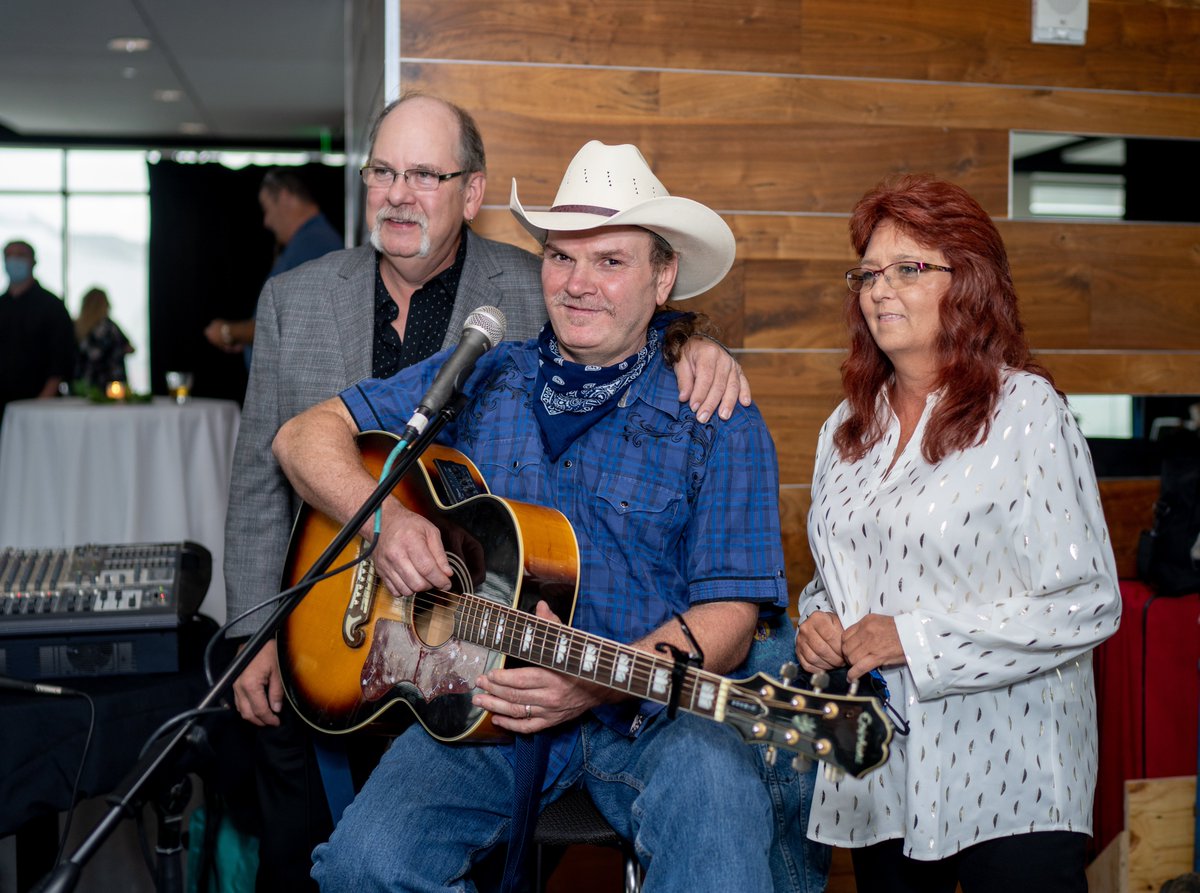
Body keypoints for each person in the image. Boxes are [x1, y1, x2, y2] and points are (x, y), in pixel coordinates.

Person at [224, 95, 753, 892]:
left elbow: (732, 619)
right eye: (561, 256)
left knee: (724, 826)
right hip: (480, 704)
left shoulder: (715, 412)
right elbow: (300, 437)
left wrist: (594, 680)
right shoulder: (489, 368)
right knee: (361, 864)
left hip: (649, 711)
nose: (578, 284)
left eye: (610, 261)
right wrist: (387, 523)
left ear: (663, 274)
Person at [793, 173, 1123, 893]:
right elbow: (843, 573)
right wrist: (815, 619)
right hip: (879, 771)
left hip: (1011, 776)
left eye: (908, 270)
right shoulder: (845, 429)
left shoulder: (1026, 414)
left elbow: (1089, 601)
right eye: (869, 273)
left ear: (967, 283)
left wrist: (914, 637)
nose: (881, 290)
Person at [203, 167, 343, 359]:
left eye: (267, 209)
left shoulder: (314, 244)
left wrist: (229, 332)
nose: (266, 222)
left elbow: (289, 325)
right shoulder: (305, 242)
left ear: (285, 197)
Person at [0, 239, 76, 421]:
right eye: (9, 255)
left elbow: (61, 357)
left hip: (39, 403)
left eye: (20, 255)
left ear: (33, 261)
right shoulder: (2, 305)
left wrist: (42, 402)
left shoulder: (51, 306)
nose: (13, 261)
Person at [74, 286, 135, 388]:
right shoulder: (109, 327)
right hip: (111, 385)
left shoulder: (77, 327)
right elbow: (130, 348)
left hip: (84, 385)